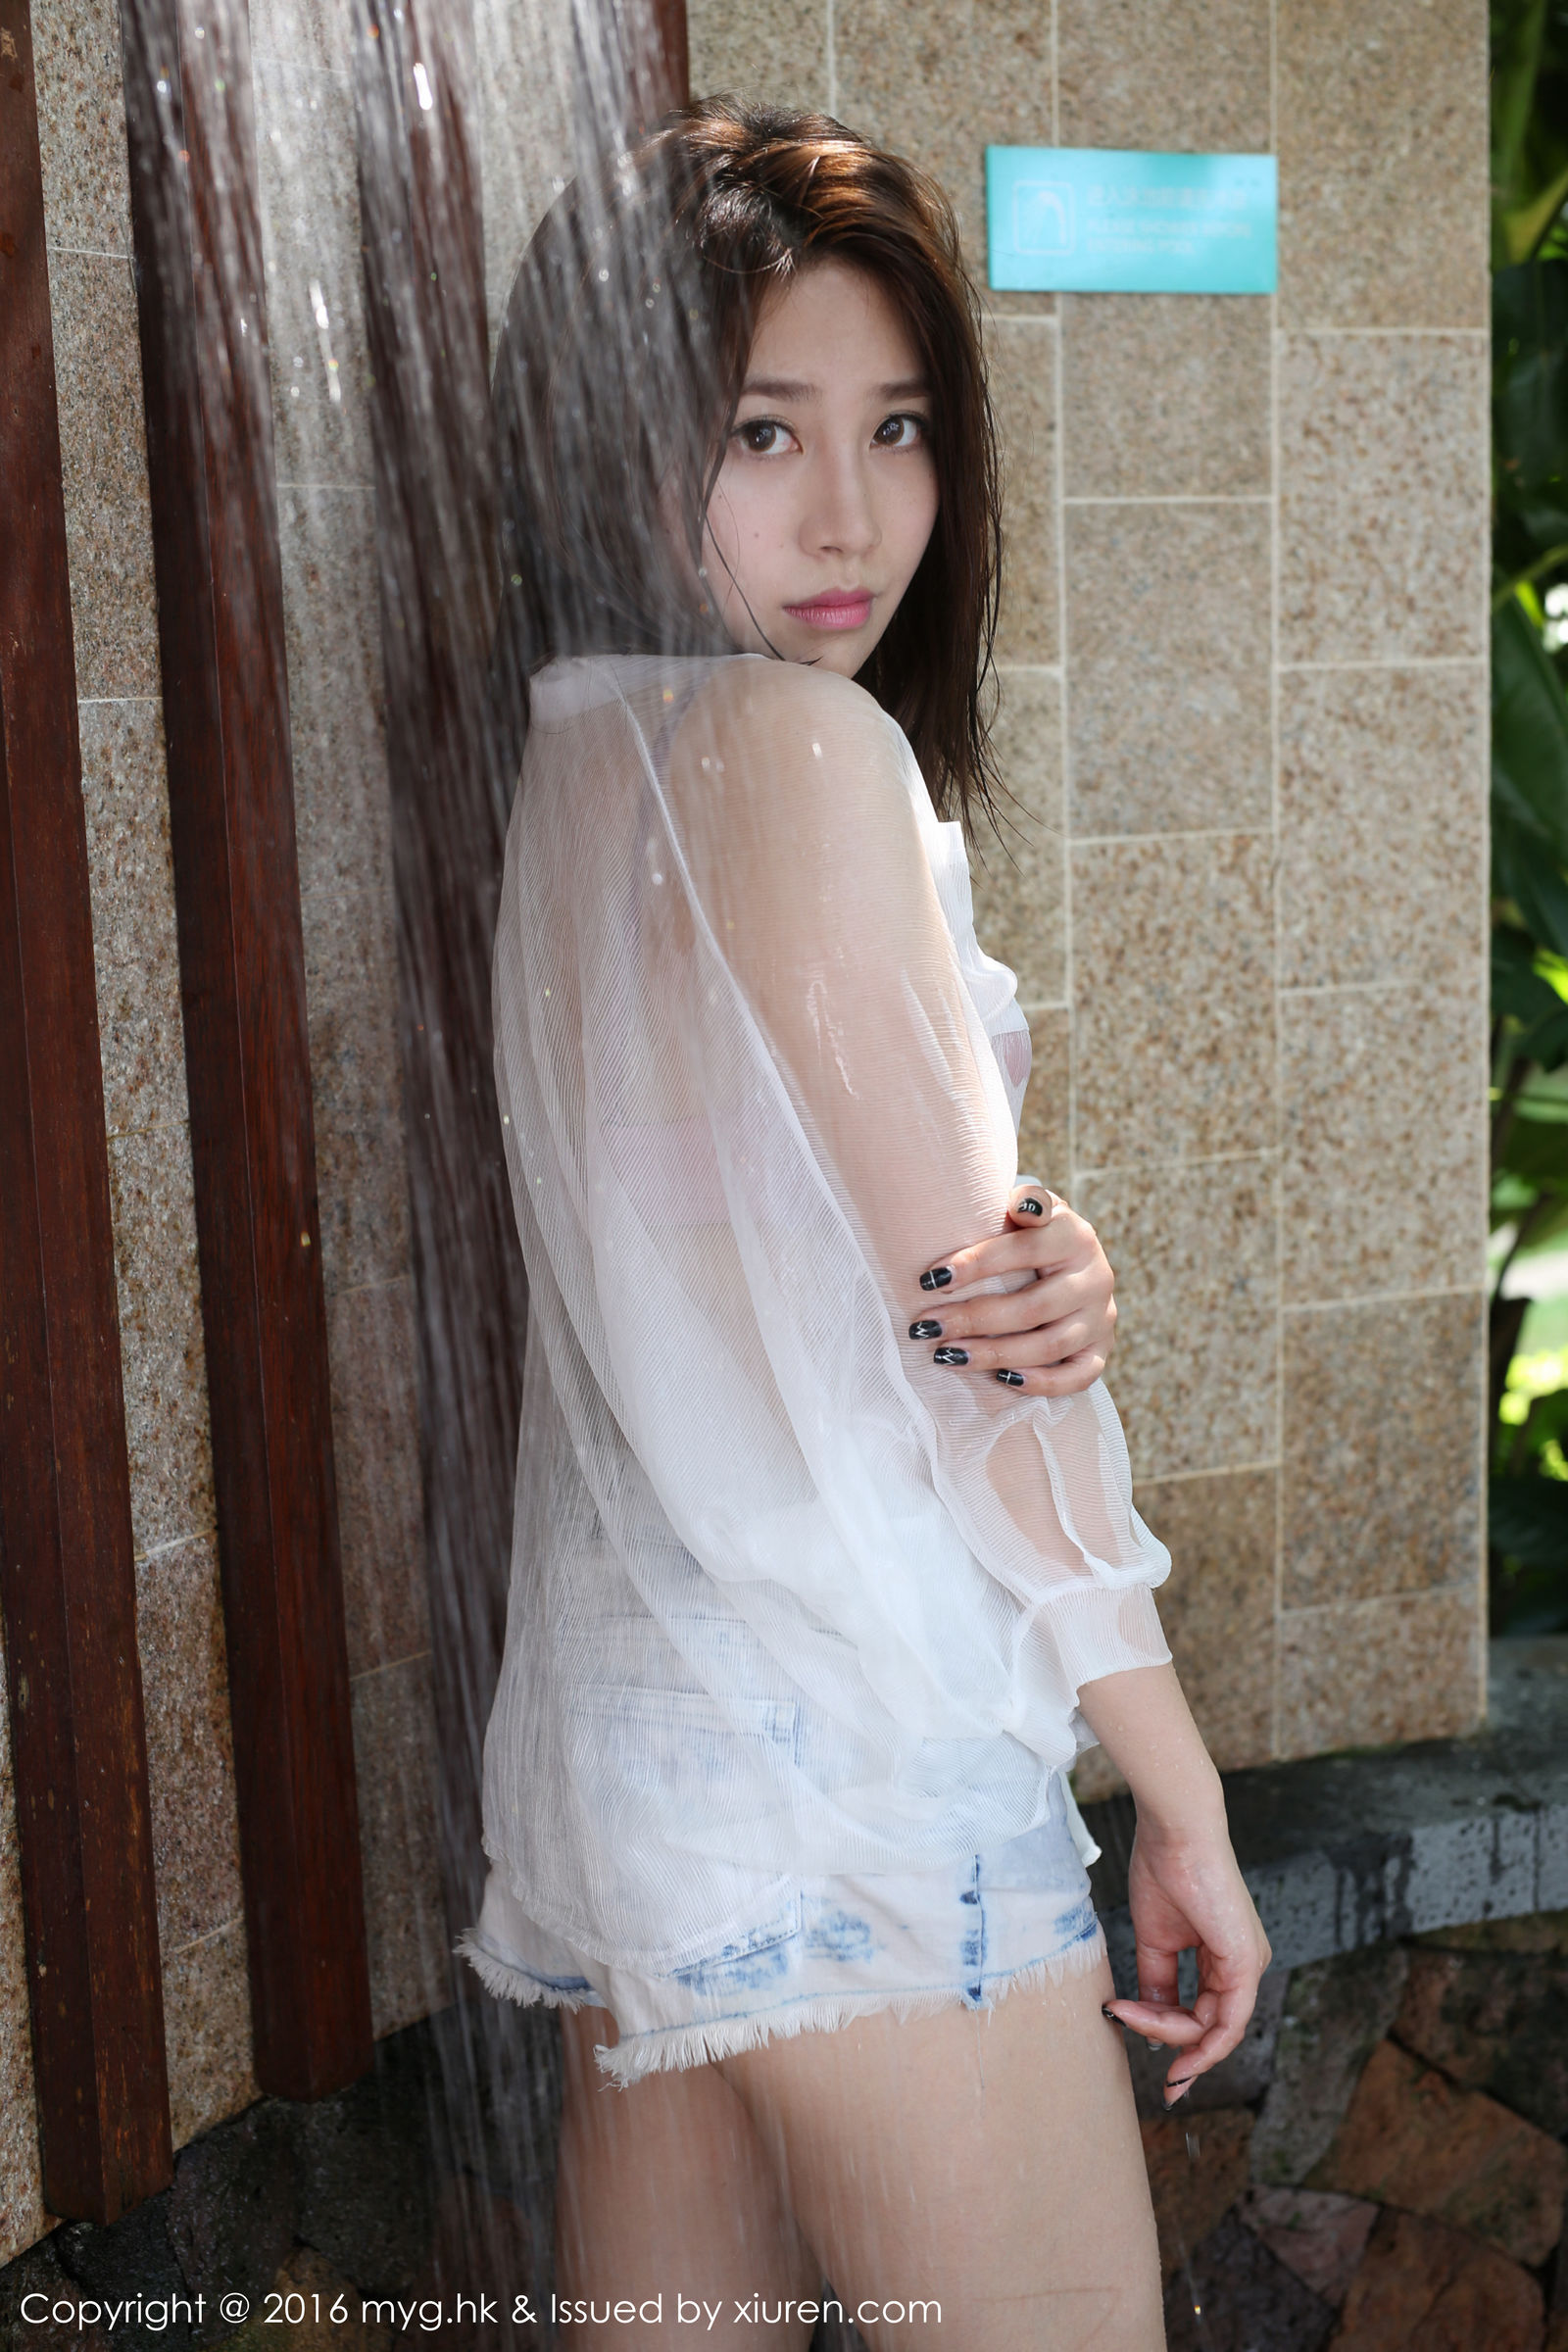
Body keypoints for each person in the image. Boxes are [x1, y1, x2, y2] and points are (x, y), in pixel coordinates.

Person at [463, 97, 1271, 2350]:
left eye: (898, 427)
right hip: (858, 1769)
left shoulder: (572, 761)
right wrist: (1177, 1795)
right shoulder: (808, 756)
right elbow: (975, 1360)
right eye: (764, 432)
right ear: (616, 447)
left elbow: (809, 1256)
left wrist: (1029, 1248)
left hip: (643, 1773)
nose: (851, 513)